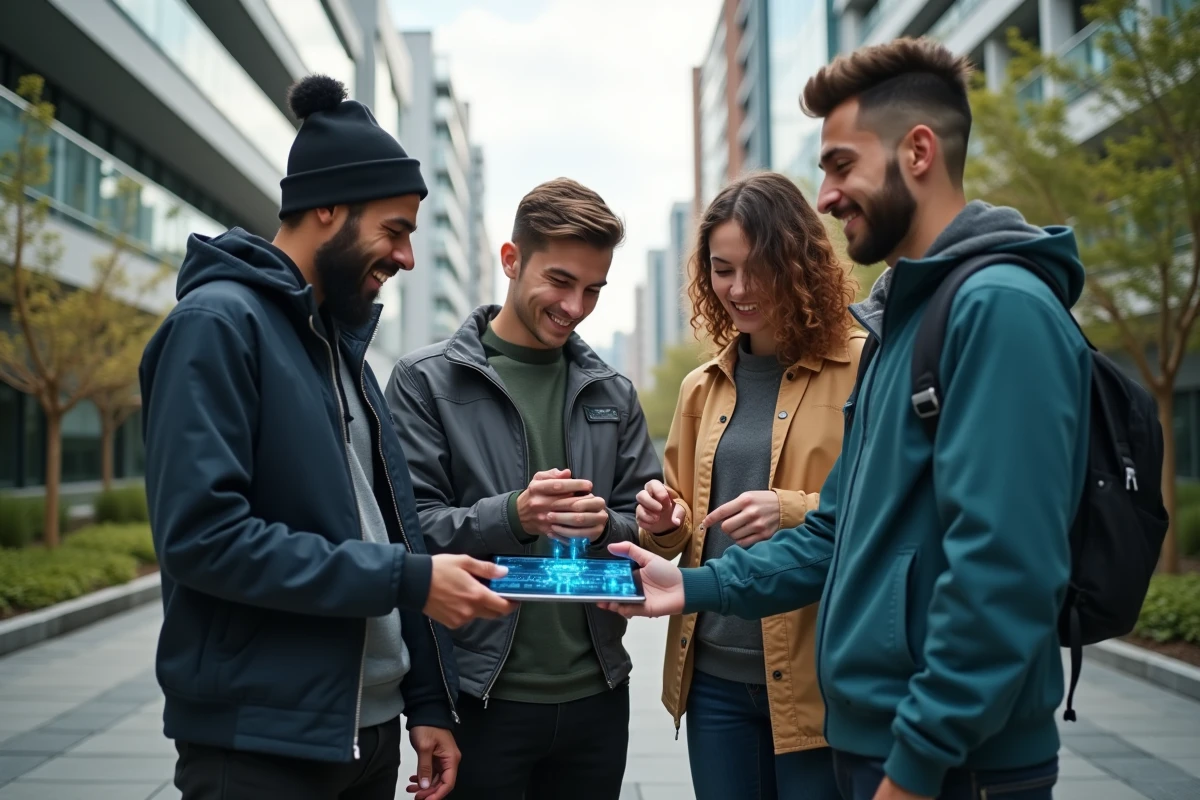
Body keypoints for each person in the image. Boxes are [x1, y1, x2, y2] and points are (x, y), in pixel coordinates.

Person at [604, 37, 1091, 800]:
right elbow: (840, 531)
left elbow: (1006, 575)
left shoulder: (999, 311)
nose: (825, 197)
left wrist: (916, 763)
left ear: (918, 152)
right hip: (881, 742)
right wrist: (688, 586)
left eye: (839, 166)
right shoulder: (908, 321)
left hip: (949, 763)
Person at [140, 74, 515, 800]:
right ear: (328, 209)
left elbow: (392, 528)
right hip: (259, 746)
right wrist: (410, 581)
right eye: (394, 230)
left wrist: (427, 703)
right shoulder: (216, 327)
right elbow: (203, 538)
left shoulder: (338, 348)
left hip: (363, 735)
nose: (406, 257)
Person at [385, 178, 663, 800]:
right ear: (511, 260)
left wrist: (620, 526)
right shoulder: (424, 381)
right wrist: (515, 514)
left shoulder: (612, 390)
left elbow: (647, 530)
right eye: (560, 281)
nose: (576, 305)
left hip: (599, 696)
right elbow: (410, 533)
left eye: (593, 289)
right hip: (480, 698)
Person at [635, 171, 862, 799]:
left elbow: (886, 510)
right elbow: (681, 526)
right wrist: (663, 522)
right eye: (721, 268)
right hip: (712, 678)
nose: (739, 289)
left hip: (821, 680)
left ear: (800, 260)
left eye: (757, 267)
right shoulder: (700, 387)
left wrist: (788, 510)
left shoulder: (863, 366)